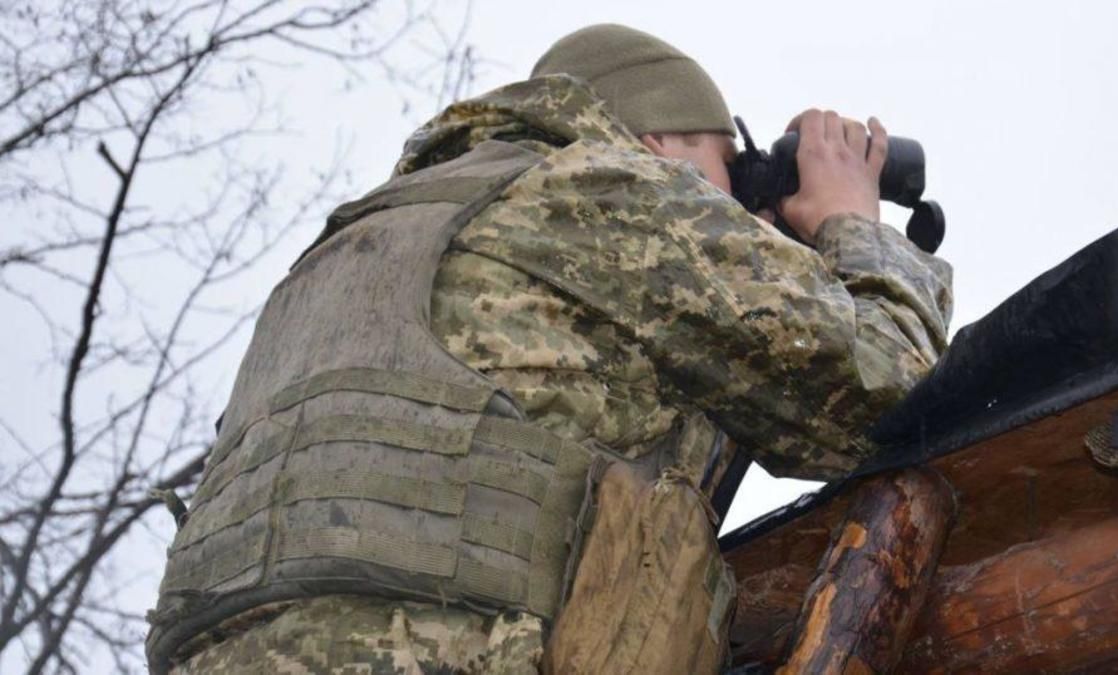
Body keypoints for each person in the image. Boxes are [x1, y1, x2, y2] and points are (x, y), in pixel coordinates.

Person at [145, 23, 952, 674]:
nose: (736, 204)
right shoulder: (603, 187)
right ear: (659, 139)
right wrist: (851, 222)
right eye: (725, 167)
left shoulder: (339, 255)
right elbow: (884, 396)